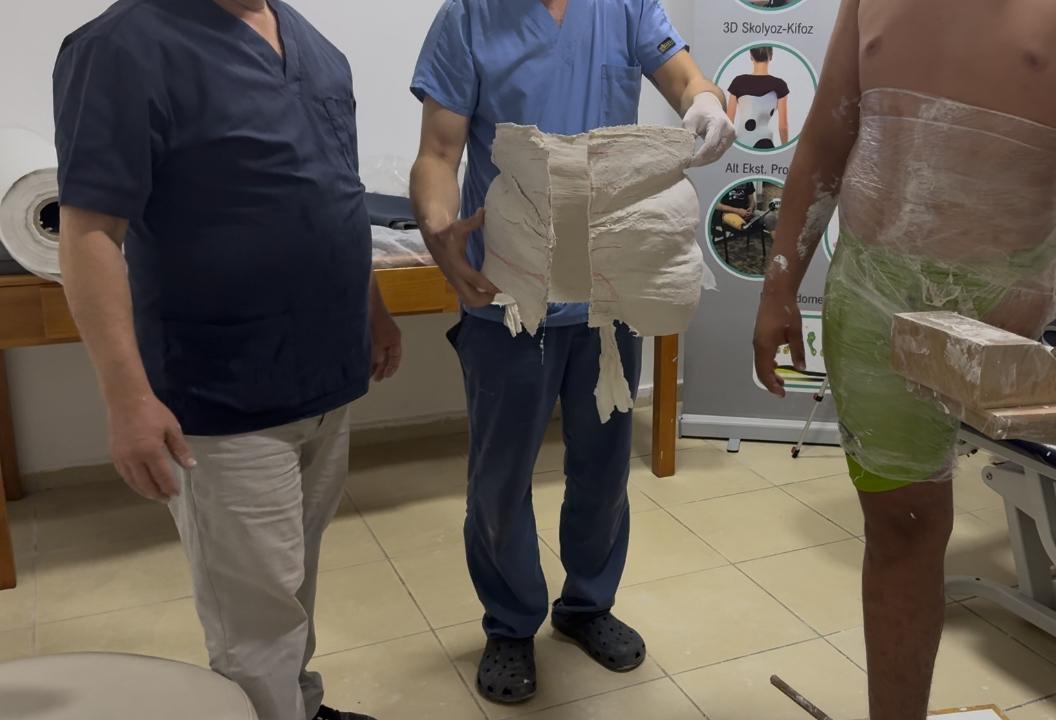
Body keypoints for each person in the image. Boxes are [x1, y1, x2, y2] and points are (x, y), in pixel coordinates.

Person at [751, 0, 1056, 718]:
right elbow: (825, 139)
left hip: (1006, 305)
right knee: (902, 531)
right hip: (873, 299)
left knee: (929, 522)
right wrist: (780, 284)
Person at [52, 1, 401, 718]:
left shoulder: (317, 49)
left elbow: (333, 190)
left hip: (326, 375)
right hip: (219, 392)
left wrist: (372, 308)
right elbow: (89, 233)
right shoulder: (122, 46)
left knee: (291, 581)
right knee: (253, 619)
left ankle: (300, 707)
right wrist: (127, 399)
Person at [408, 0, 736, 705]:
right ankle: (510, 621)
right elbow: (438, 153)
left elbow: (685, 80)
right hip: (507, 291)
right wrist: (438, 230)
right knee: (500, 478)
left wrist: (705, 103)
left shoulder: (626, 6)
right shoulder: (469, 16)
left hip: (606, 288)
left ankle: (587, 605)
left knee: (604, 468)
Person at [727, 47, 791, 149]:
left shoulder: (738, 81)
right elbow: (783, 127)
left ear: (751, 57)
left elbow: (729, 121)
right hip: (765, 141)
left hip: (742, 141)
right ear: (771, 56)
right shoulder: (780, 84)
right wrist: (785, 149)